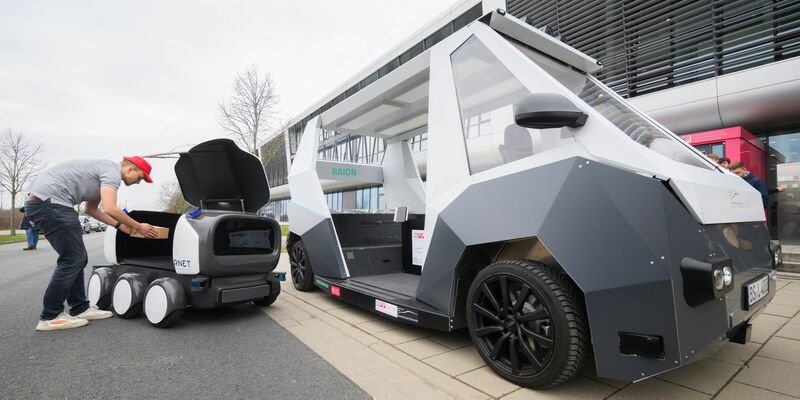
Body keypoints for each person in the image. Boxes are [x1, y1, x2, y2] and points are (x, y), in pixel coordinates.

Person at [25, 156, 159, 331]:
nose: (138, 183)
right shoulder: (112, 172)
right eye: (140, 178)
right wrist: (138, 226)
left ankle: (79, 308)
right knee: (72, 259)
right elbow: (110, 208)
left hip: (46, 203)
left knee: (77, 258)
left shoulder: (101, 176)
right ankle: (50, 316)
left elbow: (90, 209)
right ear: (130, 169)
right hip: (52, 204)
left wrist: (121, 226)